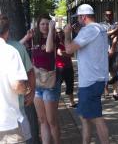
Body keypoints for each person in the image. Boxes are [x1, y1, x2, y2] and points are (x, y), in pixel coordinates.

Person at [64, 4, 109, 144]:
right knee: (85, 117)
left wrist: (67, 34)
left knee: (96, 117)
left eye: (78, 17)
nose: (77, 20)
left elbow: (69, 49)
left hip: (90, 81)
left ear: (83, 17)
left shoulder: (89, 30)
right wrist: (79, 32)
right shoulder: (100, 28)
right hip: (97, 79)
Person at [21, 14, 61, 144]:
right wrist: (27, 37)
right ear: (38, 26)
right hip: (37, 83)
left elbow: (49, 49)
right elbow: (18, 47)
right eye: (42, 24)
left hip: (50, 83)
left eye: (46, 24)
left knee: (51, 120)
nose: (44, 26)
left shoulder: (54, 37)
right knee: (42, 120)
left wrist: (51, 29)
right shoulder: (34, 39)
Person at [0, 14, 31, 144]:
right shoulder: (10, 52)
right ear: (7, 32)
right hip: (7, 122)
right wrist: (27, 89)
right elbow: (17, 86)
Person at [56, 28, 76, 107]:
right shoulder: (54, 42)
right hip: (58, 67)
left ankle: (72, 102)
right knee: (57, 87)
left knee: (70, 85)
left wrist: (64, 53)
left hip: (68, 66)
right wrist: (66, 53)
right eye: (57, 32)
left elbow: (72, 54)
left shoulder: (67, 42)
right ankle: (55, 103)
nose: (59, 34)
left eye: (60, 32)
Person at [104, 9, 118, 96]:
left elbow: (116, 36)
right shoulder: (102, 25)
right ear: (105, 15)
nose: (108, 16)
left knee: (114, 71)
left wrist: (113, 33)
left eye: (110, 14)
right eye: (107, 15)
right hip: (104, 50)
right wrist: (116, 30)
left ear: (113, 15)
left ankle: (115, 90)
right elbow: (105, 34)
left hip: (115, 50)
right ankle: (106, 90)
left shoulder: (116, 23)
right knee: (104, 71)